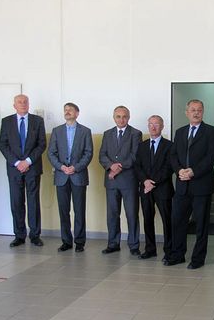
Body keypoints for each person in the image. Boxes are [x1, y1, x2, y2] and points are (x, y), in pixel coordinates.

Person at [166, 99, 214, 269]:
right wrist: (179, 171)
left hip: (201, 185)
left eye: (199, 110)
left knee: (201, 224)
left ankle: (198, 258)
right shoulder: (180, 132)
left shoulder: (211, 131)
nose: (196, 113)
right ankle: (177, 255)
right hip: (182, 185)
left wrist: (193, 171)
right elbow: (173, 155)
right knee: (178, 221)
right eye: (193, 110)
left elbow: (211, 157)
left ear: (203, 112)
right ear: (186, 112)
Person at [0, 94, 47, 247]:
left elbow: (42, 144)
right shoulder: (6, 121)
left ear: (29, 104)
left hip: (33, 167)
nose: (23, 104)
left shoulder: (38, 121)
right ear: (14, 105)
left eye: (25, 101)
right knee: (16, 202)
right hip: (14, 169)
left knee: (33, 202)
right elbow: (3, 145)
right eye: (19, 102)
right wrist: (17, 162)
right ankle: (19, 235)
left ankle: (35, 235)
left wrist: (28, 161)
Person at [48, 103, 93, 253]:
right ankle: (66, 241)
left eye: (70, 110)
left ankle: (79, 241)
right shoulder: (57, 131)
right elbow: (51, 153)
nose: (67, 112)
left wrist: (75, 167)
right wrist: (61, 167)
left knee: (79, 210)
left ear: (77, 113)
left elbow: (88, 153)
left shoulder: (85, 131)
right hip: (61, 176)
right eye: (65, 110)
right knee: (63, 210)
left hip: (78, 175)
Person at [99, 105, 142, 255]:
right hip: (111, 181)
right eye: (118, 116)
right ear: (114, 118)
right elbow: (102, 155)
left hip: (129, 181)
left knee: (132, 214)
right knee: (112, 214)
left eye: (124, 117)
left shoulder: (135, 133)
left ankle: (134, 245)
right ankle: (113, 243)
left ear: (128, 118)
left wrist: (117, 168)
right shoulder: (107, 134)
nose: (121, 119)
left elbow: (134, 156)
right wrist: (111, 166)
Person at [134, 115, 174, 260]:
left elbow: (169, 167)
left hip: (163, 189)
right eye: (151, 124)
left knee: (167, 220)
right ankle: (150, 249)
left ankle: (169, 251)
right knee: (147, 219)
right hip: (145, 189)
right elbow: (137, 166)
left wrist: (153, 183)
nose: (153, 127)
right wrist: (145, 181)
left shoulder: (170, 145)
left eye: (156, 124)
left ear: (162, 126)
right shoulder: (142, 146)